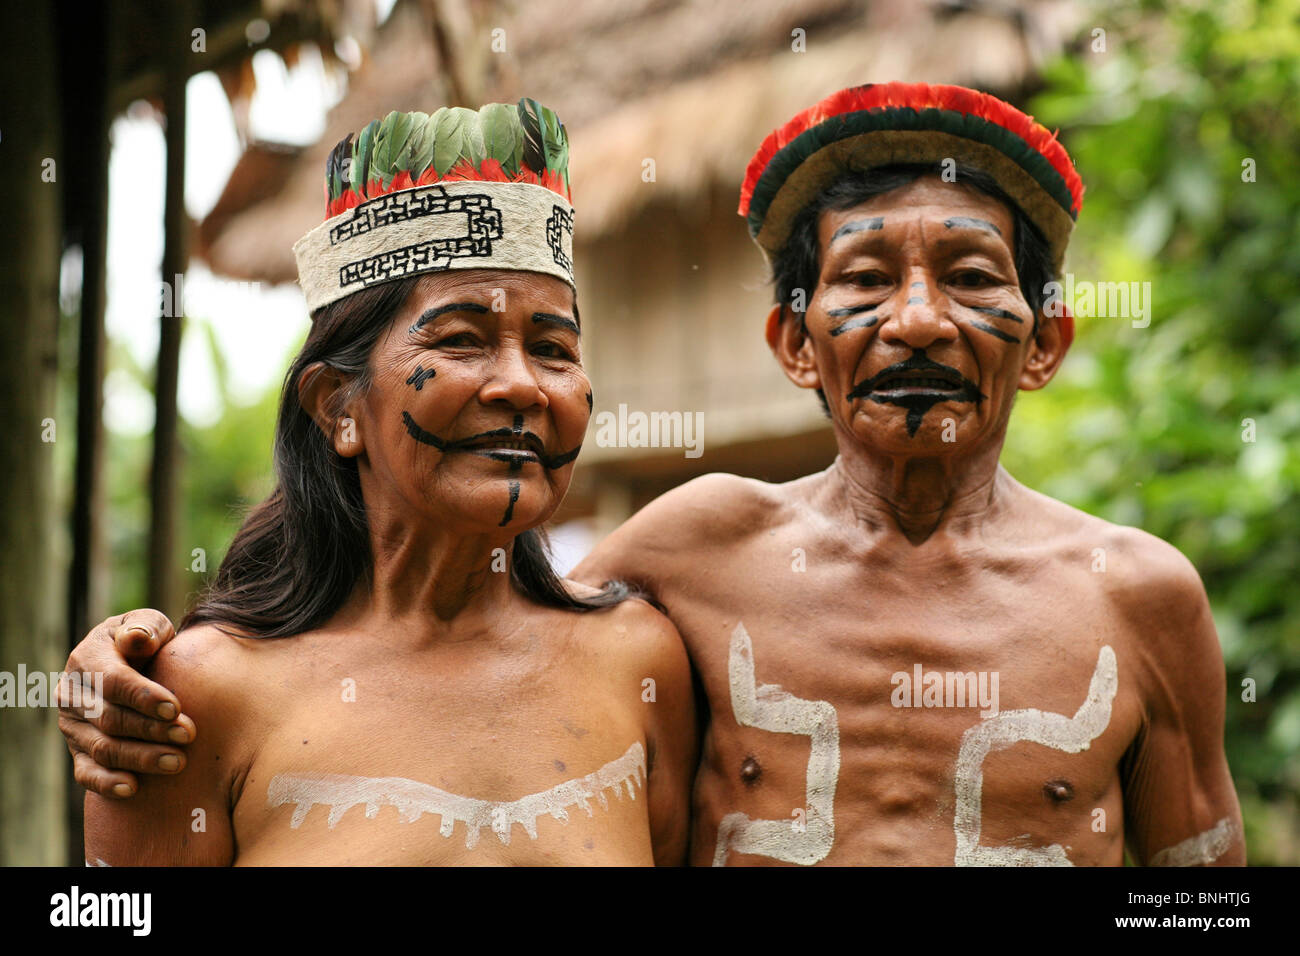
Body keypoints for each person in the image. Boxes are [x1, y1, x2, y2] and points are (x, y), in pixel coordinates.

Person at [63, 83, 1242, 866]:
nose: (919, 322)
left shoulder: (1135, 596)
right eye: (867, 278)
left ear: (1044, 342)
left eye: (974, 279)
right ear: (794, 341)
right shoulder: (693, 562)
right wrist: (116, 653)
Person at [71, 100, 696, 866]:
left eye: (554, 349)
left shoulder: (640, 665)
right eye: (462, 340)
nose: (522, 385)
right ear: (338, 408)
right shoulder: (195, 698)